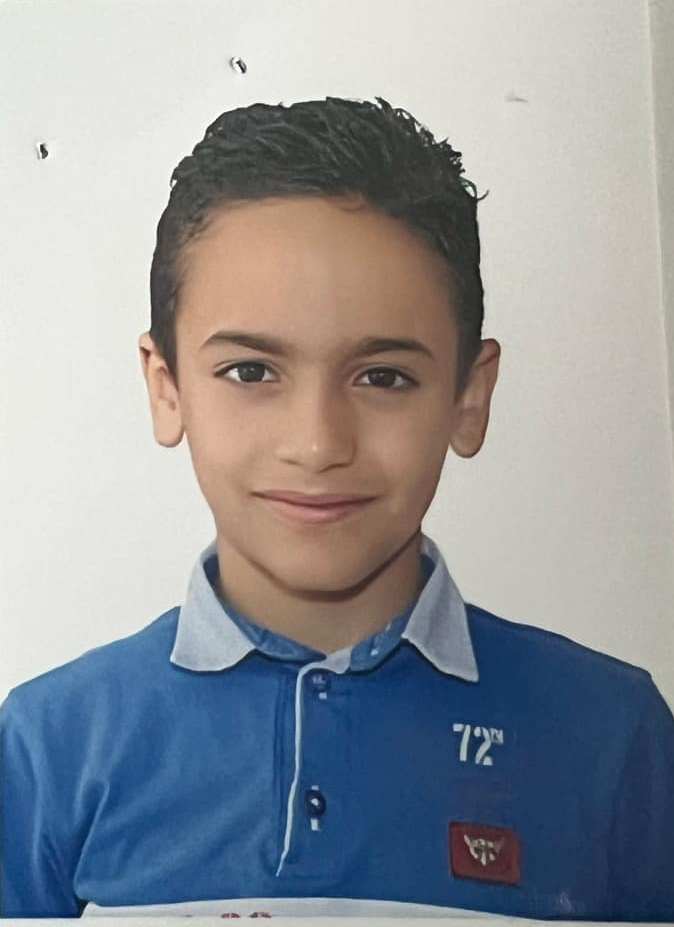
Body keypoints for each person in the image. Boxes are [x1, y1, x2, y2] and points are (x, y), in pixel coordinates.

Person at [1, 96, 673, 921]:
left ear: (469, 396)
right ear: (166, 387)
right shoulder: (47, 748)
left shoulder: (613, 735)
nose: (318, 443)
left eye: (383, 376)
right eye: (251, 371)